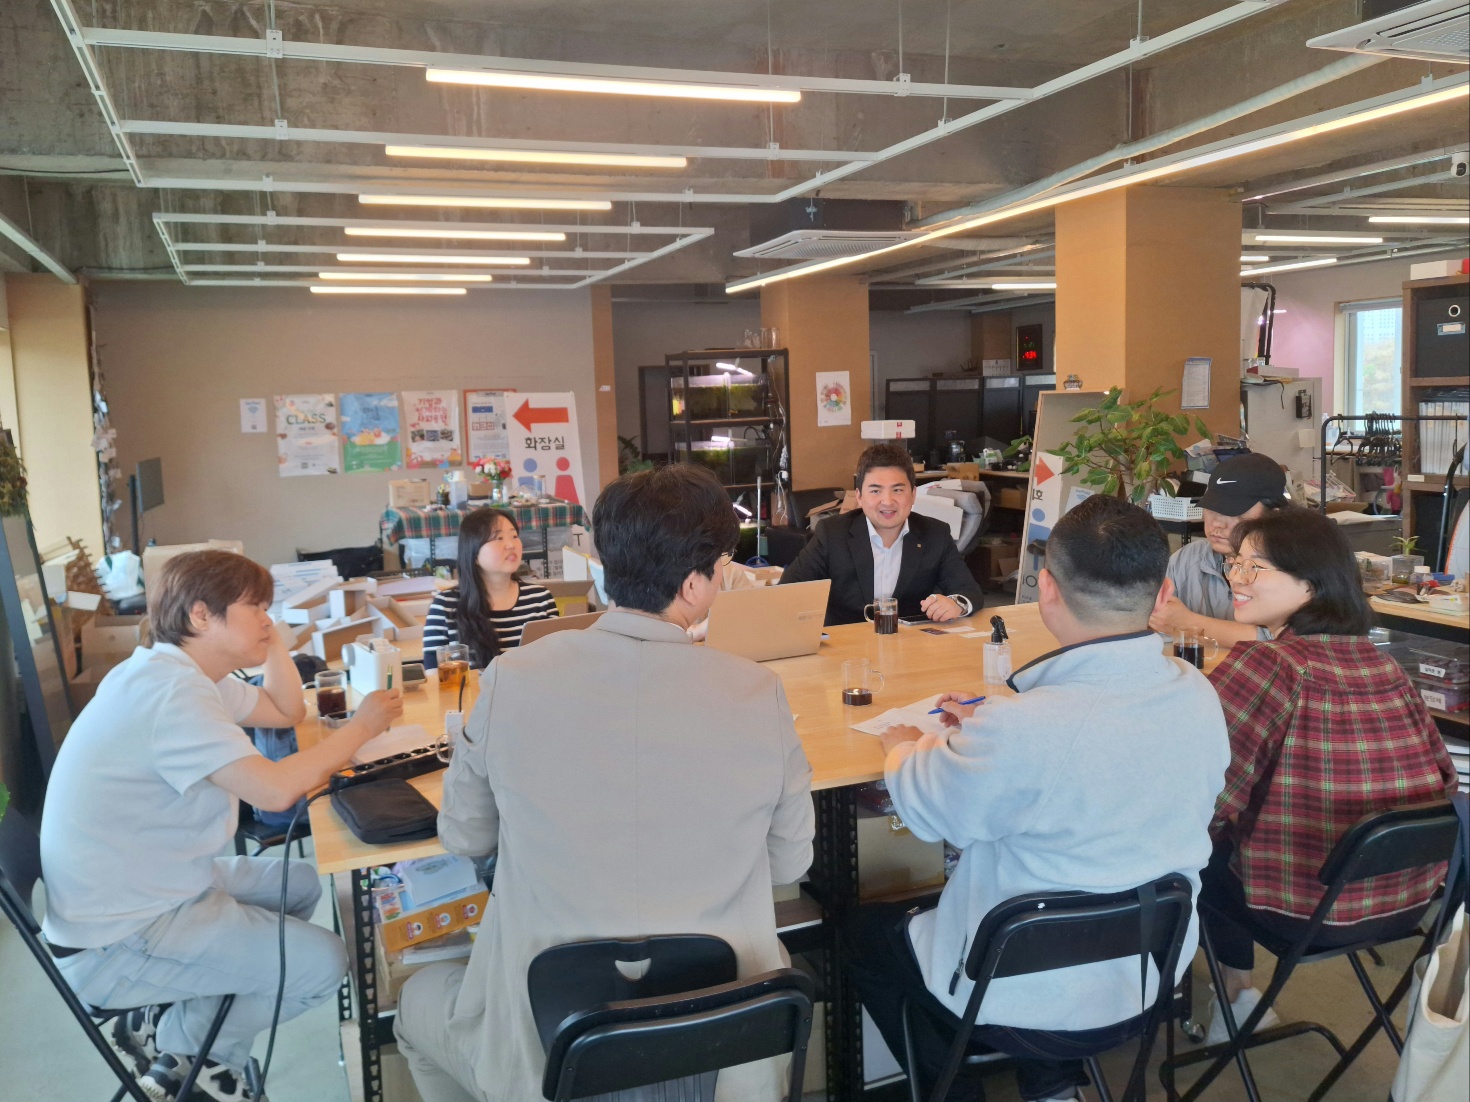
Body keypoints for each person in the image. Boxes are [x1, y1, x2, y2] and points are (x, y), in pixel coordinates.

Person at [394, 464, 815, 1102]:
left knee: (415, 1004)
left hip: (552, 1045)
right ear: (695, 584)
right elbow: (790, 864)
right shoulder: (758, 692)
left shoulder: (511, 679)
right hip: (722, 1046)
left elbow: (465, 837)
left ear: (606, 566)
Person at [850, 496, 1229, 1102]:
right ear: (1163, 594)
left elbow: (928, 812)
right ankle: (1051, 1086)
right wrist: (993, 727)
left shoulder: (1025, 728)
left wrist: (904, 747)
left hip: (1016, 988)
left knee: (861, 935)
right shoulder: (1198, 694)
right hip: (1146, 972)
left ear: (1045, 589)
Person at [39, 550, 403, 1102]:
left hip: (150, 886)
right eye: (255, 607)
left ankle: (173, 1022)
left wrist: (268, 638)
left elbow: (285, 710)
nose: (267, 618)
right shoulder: (171, 694)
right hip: (119, 935)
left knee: (300, 885)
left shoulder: (182, 672)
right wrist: (361, 728)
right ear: (201, 615)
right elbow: (275, 790)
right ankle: (195, 1054)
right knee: (324, 964)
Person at [1200, 508, 1457, 1042]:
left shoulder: (1268, 665)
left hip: (1300, 909)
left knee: (1181, 856)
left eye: (1255, 567)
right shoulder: (1387, 666)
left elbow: (1202, 798)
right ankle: (1238, 1000)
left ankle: (1230, 998)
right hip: (1406, 904)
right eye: (1236, 564)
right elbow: (1446, 783)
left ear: (1311, 585)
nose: (1236, 578)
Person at [779, 442, 984, 626]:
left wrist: (956, 604)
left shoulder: (935, 534)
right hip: (846, 646)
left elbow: (968, 590)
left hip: (910, 645)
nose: (887, 501)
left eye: (897, 490)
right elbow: (786, 591)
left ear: (913, 495)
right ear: (859, 497)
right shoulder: (832, 533)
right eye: (875, 491)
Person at [1150, 452, 1291, 648]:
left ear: (1274, 517)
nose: (1217, 523)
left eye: (1235, 512)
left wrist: (1188, 623)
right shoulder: (1188, 559)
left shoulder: (1290, 569)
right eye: (1212, 509)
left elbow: (1285, 642)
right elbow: (1153, 619)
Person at [421, 507, 558, 670]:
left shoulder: (540, 599)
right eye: (498, 538)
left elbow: (556, 662)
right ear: (474, 553)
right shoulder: (445, 606)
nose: (511, 545)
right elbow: (433, 675)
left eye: (514, 536)